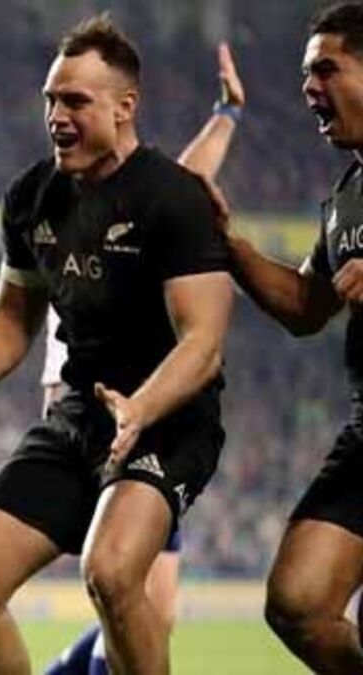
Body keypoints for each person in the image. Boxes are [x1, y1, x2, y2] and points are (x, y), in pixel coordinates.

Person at [0, 15, 233, 675]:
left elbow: (203, 343)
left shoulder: (172, 198)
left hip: (167, 422)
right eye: (50, 100)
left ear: (125, 106)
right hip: (77, 419)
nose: (56, 116)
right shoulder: (32, 196)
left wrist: (140, 407)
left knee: (112, 573)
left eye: (75, 101)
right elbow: (12, 320)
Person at [42, 42, 246, 675]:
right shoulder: (75, 223)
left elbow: (187, 180)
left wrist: (226, 117)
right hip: (112, 421)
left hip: (135, 415)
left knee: (136, 611)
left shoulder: (131, 214)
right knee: (134, 608)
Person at [203, 4, 363, 671]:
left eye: (326, 69)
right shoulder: (347, 197)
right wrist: (227, 244)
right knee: (299, 601)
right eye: (305, 74)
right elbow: (304, 306)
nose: (308, 87)